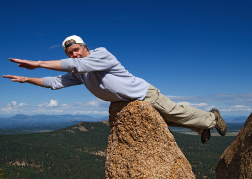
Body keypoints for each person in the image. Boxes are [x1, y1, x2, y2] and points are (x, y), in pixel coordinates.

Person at [2, 35, 228, 144]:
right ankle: (201, 128)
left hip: (143, 93)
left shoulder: (101, 54)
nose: (74, 54)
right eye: (69, 53)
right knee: (167, 120)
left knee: (175, 112)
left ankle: (211, 117)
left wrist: (38, 62)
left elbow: (77, 65)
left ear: (85, 47)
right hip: (130, 103)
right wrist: (26, 79)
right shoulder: (81, 72)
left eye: (76, 49)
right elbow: (55, 82)